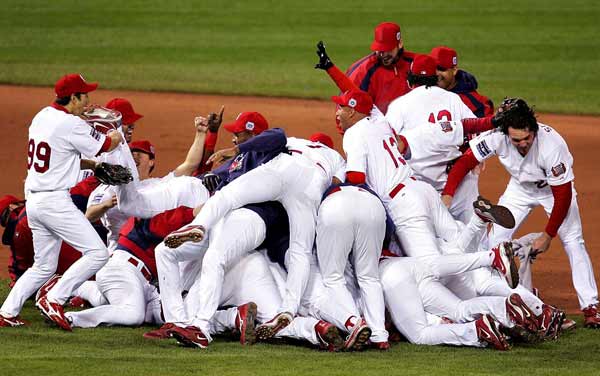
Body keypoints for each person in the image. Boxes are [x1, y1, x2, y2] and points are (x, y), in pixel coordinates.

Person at [443, 98, 600, 328]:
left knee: (573, 240)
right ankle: (508, 298)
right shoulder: (497, 137)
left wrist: (548, 235)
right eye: (517, 140)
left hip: (551, 190)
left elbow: (563, 195)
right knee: (495, 240)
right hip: (519, 189)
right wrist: (447, 194)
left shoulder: (551, 145)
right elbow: (466, 161)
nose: (523, 143)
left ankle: (591, 307)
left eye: (527, 138)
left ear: (533, 130)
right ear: (507, 133)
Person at [0, 74, 124, 330]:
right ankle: (55, 298)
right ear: (73, 97)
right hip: (55, 203)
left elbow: (61, 156)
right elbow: (108, 145)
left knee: (44, 266)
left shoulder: (42, 116)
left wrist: (93, 163)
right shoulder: (71, 125)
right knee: (97, 253)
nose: (88, 100)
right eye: (84, 95)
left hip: (34, 202)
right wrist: (116, 130)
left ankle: (7, 312)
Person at [343, 22, 416, 114]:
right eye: (380, 50)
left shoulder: (416, 64)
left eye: (388, 49)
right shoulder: (364, 70)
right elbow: (347, 108)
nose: (383, 55)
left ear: (400, 43)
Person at [430, 46, 494, 118]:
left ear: (454, 70)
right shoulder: (421, 91)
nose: (436, 74)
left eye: (441, 69)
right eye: (432, 68)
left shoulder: (476, 104)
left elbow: (486, 127)